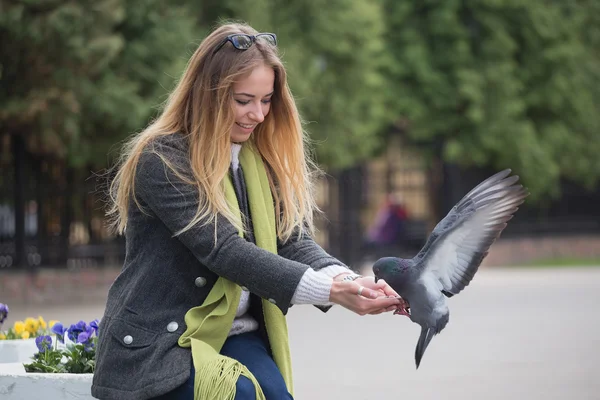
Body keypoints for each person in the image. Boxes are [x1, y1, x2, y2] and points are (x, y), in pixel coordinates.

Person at [91, 22, 406, 400]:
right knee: (239, 395)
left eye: (266, 100)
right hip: (163, 342)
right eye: (243, 100)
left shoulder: (260, 159)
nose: (257, 115)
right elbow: (223, 250)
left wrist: (350, 281)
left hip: (236, 332)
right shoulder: (163, 160)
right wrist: (331, 291)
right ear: (206, 94)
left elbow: (291, 241)